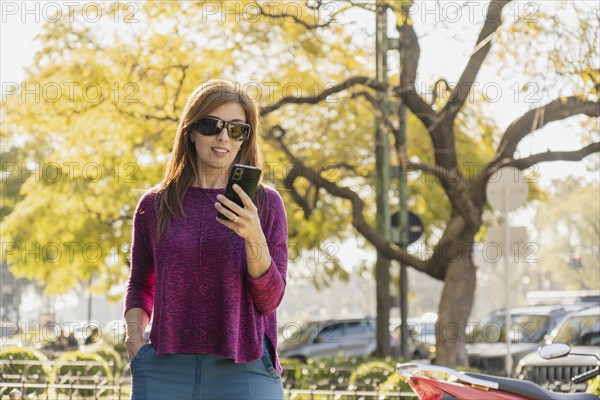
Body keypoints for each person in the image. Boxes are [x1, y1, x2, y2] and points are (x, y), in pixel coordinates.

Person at [124, 80, 288, 400]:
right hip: (165, 371)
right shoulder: (154, 205)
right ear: (191, 131)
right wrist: (134, 341)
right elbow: (141, 285)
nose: (223, 137)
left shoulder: (266, 205)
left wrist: (253, 235)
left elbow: (270, 300)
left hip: (245, 368)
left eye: (237, 129)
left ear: (245, 138)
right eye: (212, 125)